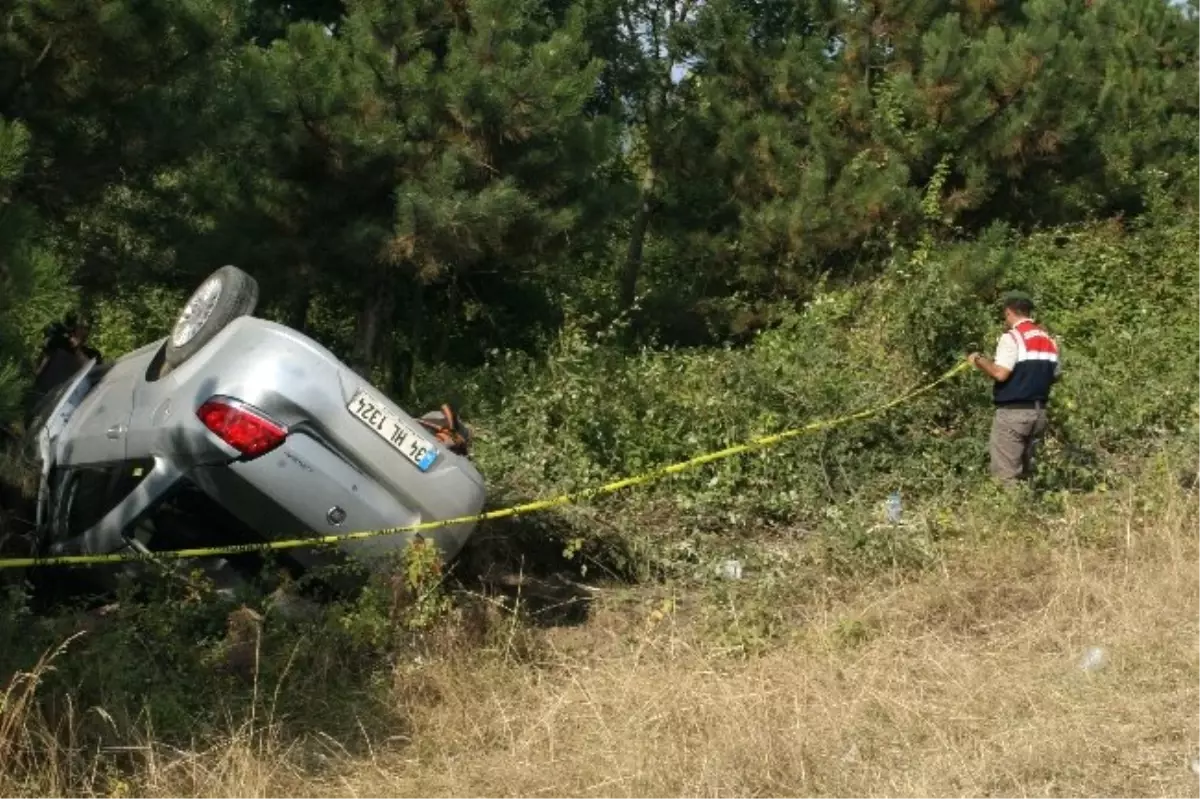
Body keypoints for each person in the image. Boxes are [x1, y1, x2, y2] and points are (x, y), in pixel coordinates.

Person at [966, 292, 1061, 483]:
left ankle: (1010, 511)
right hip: (1039, 413)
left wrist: (977, 359)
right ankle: (1026, 508)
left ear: (1009, 312)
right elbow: (1056, 375)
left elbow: (1000, 373)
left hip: (1013, 414)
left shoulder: (1012, 337)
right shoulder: (1049, 340)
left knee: (1006, 476)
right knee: (1026, 473)